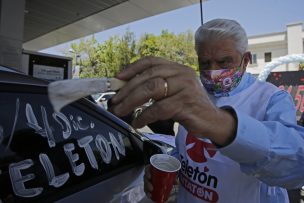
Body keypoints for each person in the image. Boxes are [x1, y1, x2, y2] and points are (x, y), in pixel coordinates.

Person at [110, 18, 304, 203]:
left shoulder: (271, 99)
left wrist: (221, 125)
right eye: (204, 62)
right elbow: (186, 151)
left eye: (224, 62)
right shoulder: (193, 94)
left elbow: (296, 166)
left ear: (245, 60)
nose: (213, 71)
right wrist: (170, 165)